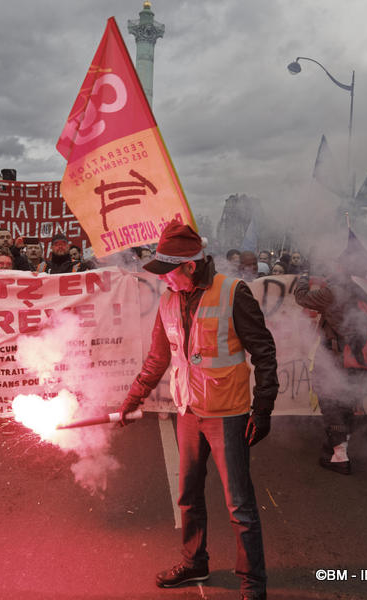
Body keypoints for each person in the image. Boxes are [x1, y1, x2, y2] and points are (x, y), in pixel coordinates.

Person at [119, 221, 278, 600]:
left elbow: (265, 353)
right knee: (188, 494)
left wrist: (264, 409)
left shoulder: (233, 293)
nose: (164, 281)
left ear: (190, 266)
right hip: (189, 410)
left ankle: (253, 584)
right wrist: (133, 398)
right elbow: (158, 358)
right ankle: (195, 563)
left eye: (169, 272)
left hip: (227, 414)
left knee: (239, 504)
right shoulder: (168, 299)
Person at [294, 250, 367, 474]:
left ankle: (339, 456)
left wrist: (302, 279)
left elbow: (302, 298)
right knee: (349, 402)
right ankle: (339, 446)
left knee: (330, 401)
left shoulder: (334, 292)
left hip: (336, 356)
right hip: (364, 358)